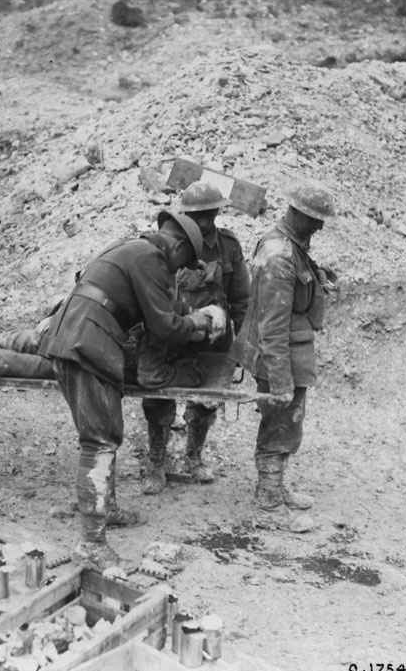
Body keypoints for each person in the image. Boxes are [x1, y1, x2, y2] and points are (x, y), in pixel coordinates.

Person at [38, 211, 215, 568]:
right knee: (99, 442)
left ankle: (109, 509)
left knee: (104, 436)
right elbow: (164, 325)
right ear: (178, 246)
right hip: (87, 340)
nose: (180, 272)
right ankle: (91, 543)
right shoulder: (151, 258)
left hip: (76, 332)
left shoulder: (130, 246)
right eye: (184, 264)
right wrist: (198, 320)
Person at [237, 180, 336, 529]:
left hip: (292, 352)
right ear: (297, 213)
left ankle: (275, 488)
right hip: (280, 356)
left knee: (288, 424)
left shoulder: (291, 246)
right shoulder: (280, 255)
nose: (320, 226)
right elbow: (272, 325)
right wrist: (280, 380)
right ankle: (267, 503)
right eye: (315, 219)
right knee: (279, 424)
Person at [139, 183, 250, 494]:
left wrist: (239, 341)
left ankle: (193, 457)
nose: (203, 220)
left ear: (217, 211)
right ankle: (156, 462)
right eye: (197, 214)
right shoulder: (168, 243)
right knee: (158, 400)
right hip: (172, 334)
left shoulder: (229, 246)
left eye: (209, 213)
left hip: (213, 341)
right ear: (186, 213)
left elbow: (242, 297)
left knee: (206, 402)